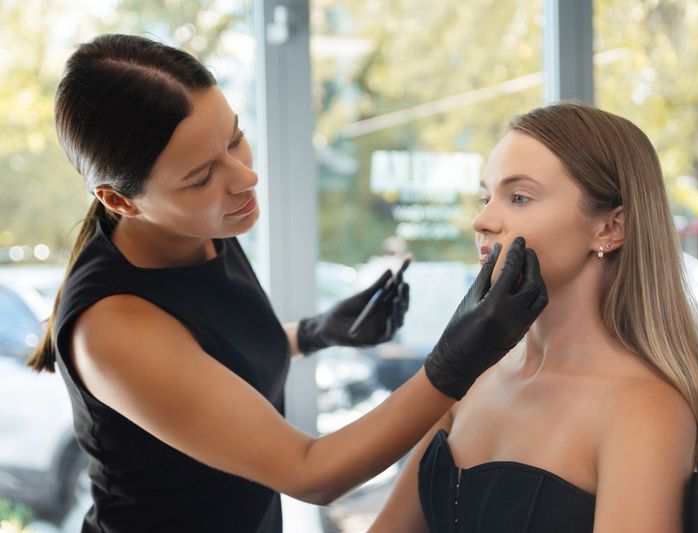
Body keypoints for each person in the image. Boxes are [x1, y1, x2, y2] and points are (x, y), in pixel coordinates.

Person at [26, 34, 549, 532]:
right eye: (202, 176)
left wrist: (319, 332)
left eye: (235, 138)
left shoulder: (198, 225)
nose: (243, 177)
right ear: (120, 200)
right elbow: (310, 471)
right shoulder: (112, 326)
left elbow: (215, 358)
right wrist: (455, 363)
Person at [370, 103, 698, 533]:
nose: (483, 219)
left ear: (610, 227)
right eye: (485, 196)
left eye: (519, 197)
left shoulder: (643, 408)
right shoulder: (468, 377)